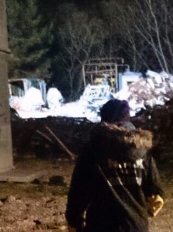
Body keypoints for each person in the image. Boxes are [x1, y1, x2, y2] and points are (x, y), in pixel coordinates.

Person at [65, 98, 165, 232]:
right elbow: (155, 194)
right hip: (135, 226)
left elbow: (78, 191)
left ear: (103, 119)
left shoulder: (93, 149)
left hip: (100, 225)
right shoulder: (142, 150)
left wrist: (74, 221)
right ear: (127, 118)